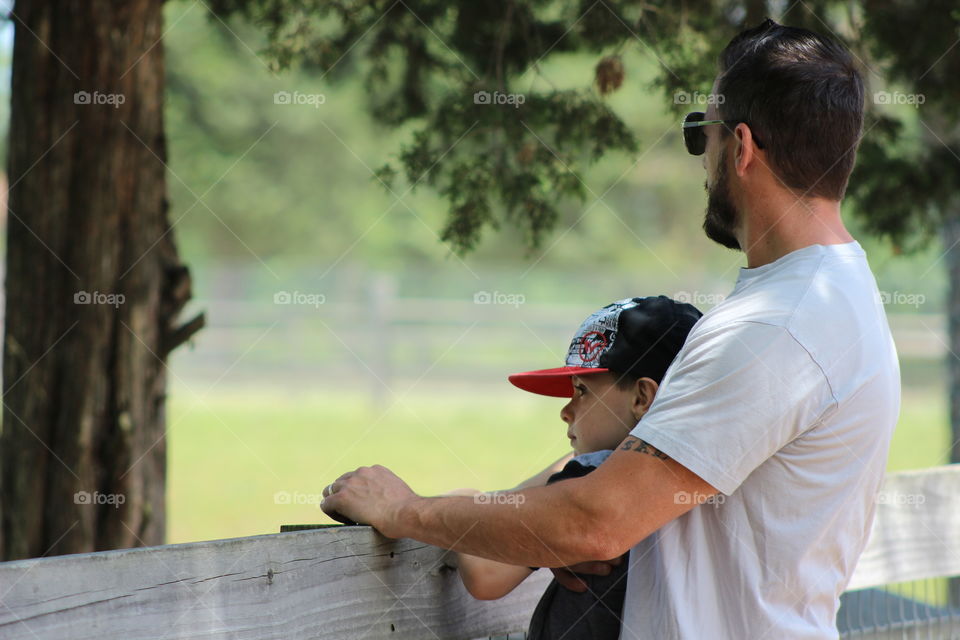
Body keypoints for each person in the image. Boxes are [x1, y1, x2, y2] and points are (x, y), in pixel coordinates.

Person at [321, 18, 901, 639]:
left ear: (741, 147)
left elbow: (594, 525)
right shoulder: (839, 298)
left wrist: (405, 511)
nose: (701, 162)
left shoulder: (778, 325)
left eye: (697, 135)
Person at [448, 296, 702, 640]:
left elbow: (486, 571)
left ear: (642, 398)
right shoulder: (702, 473)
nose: (566, 411)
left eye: (582, 391)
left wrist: (464, 499)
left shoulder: (594, 476)